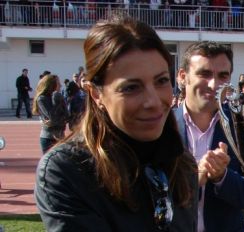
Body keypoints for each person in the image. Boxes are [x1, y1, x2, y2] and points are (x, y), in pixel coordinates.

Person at [34, 16, 198, 231]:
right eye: (131, 87)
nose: (153, 102)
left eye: (161, 81)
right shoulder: (66, 170)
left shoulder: (181, 163)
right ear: (96, 94)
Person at [174, 41, 244, 231]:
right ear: (183, 77)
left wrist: (222, 177)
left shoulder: (243, 128)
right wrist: (195, 177)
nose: (214, 84)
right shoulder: (161, 126)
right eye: (204, 74)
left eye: (222, 76)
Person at [32, 74, 69, 153]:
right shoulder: (42, 99)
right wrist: (55, 100)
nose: (60, 85)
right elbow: (52, 117)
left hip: (60, 137)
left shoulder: (59, 97)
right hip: (48, 138)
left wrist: (56, 121)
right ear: (52, 85)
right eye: (58, 83)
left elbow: (67, 116)